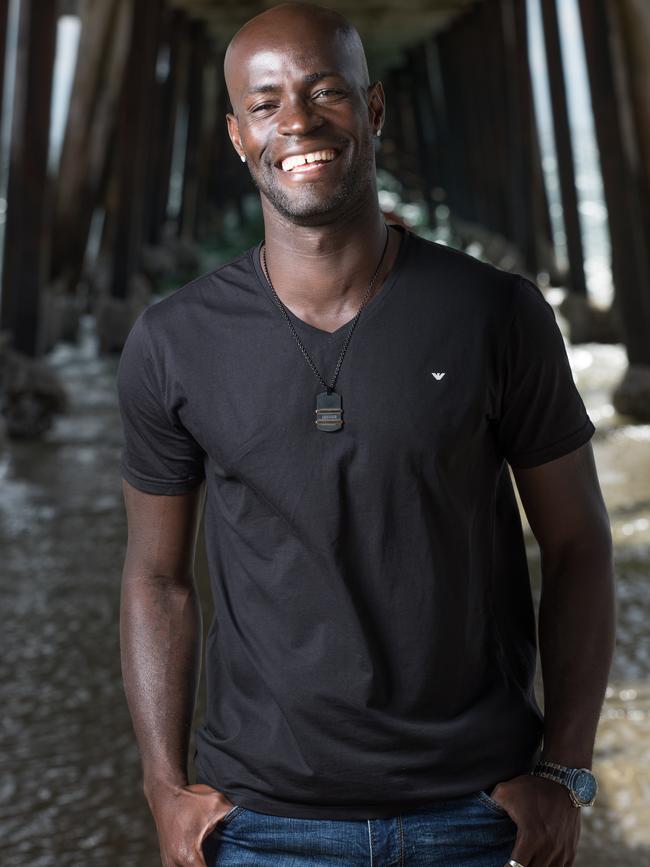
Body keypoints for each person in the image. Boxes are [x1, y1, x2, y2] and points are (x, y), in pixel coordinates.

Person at [116, 3, 616, 866]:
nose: (298, 123)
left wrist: (564, 769)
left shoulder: (496, 313)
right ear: (238, 137)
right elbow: (157, 580)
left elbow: (578, 544)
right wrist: (164, 785)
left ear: (374, 109)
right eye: (266, 104)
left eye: (324, 94)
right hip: (266, 822)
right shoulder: (174, 341)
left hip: (479, 812)